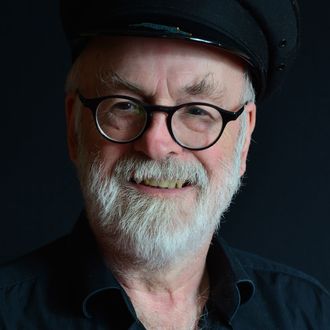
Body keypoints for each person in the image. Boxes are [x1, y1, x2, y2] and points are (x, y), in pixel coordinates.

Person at [1, 0, 330, 329]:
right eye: (125, 105)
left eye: (198, 111)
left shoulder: (309, 315)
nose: (157, 145)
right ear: (74, 127)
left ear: (244, 140)